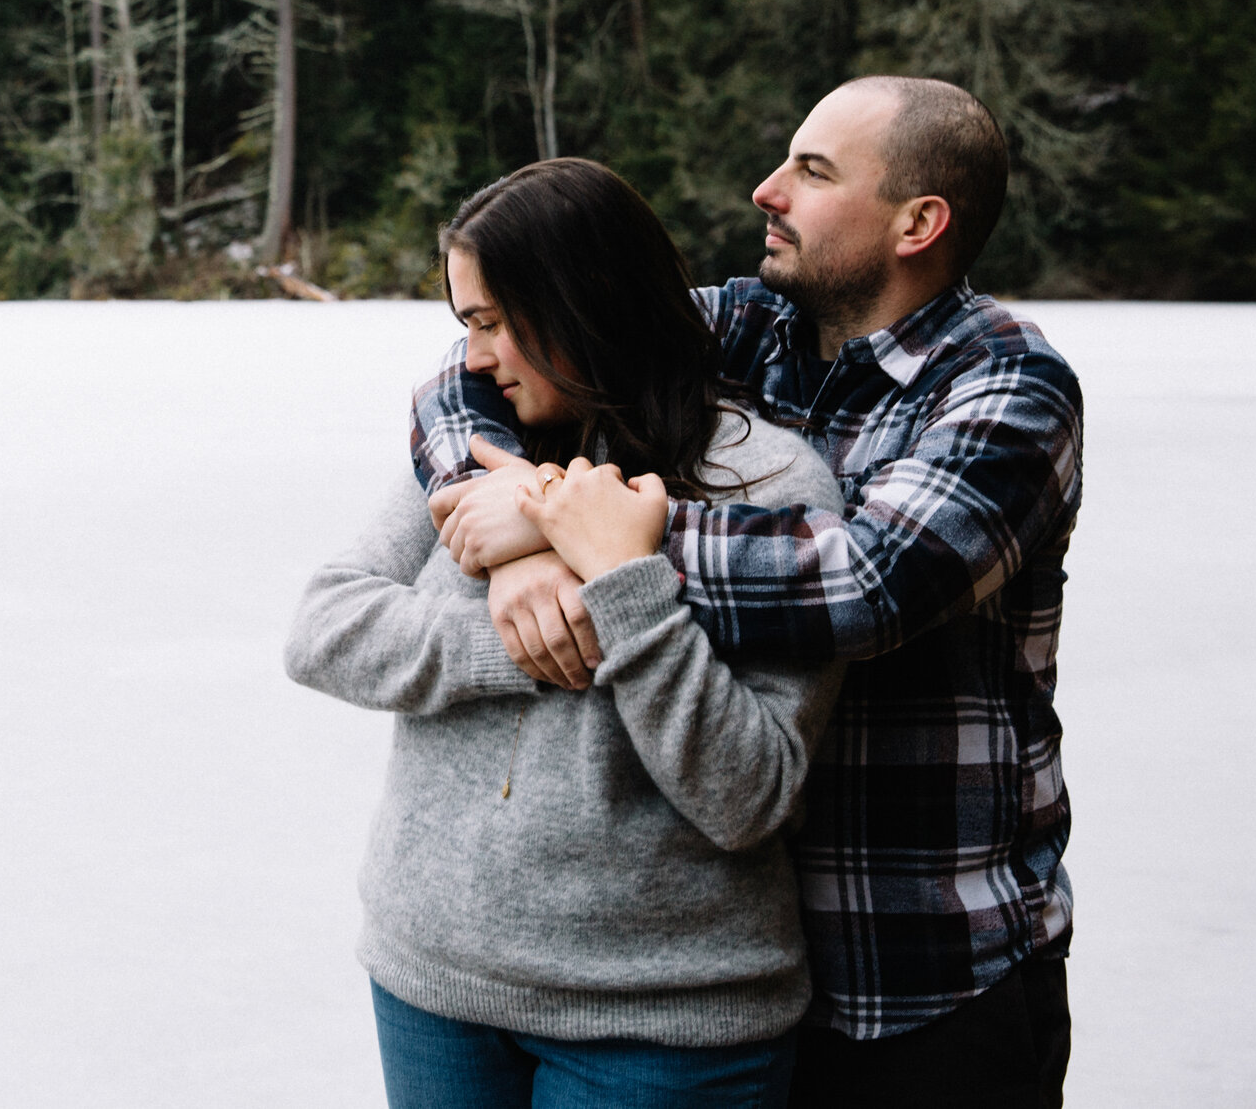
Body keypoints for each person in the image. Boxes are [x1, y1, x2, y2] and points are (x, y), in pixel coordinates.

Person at [424, 77, 1081, 1109]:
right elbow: (464, 379)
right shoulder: (740, 325)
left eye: (812, 170)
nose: (764, 188)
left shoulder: (1006, 386)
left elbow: (869, 582)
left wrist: (598, 537)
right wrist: (518, 524)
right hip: (721, 952)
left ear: (920, 221)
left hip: (920, 968)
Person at [285, 157, 848, 1109]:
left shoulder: (770, 485)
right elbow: (324, 626)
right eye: (465, 325)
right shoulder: (486, 447)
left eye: (494, 324)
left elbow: (751, 791)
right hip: (432, 983)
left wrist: (624, 589)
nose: (472, 359)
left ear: (587, 305)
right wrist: (517, 627)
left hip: (660, 1021)